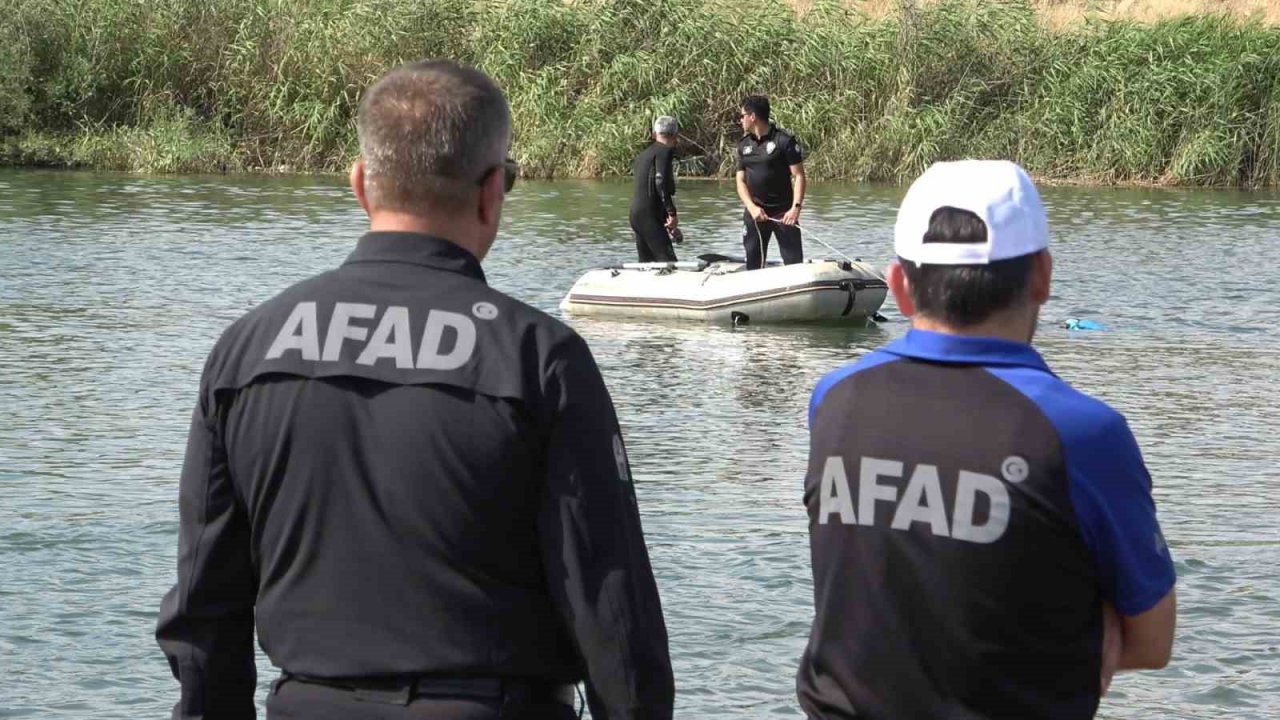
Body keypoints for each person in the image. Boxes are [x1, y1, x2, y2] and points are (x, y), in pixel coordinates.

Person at [154, 58, 675, 720]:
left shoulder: (247, 348)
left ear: (360, 185)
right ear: (491, 191)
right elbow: (611, 606)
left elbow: (204, 605)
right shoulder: (537, 357)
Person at [796, 159, 1176, 719]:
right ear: (1042, 275)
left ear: (899, 285)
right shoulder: (1082, 432)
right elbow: (1151, 640)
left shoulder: (834, 399)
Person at [734, 95, 806, 270]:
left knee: (794, 263)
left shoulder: (784, 141)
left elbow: (799, 176)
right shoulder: (744, 145)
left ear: (752, 116)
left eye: (742, 115)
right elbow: (740, 180)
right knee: (753, 263)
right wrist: (751, 207)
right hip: (755, 213)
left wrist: (795, 208)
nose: (740, 120)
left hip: (784, 213)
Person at [629, 115, 680, 263]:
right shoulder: (664, 152)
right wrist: (671, 212)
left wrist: (665, 218)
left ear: (654, 134)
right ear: (676, 135)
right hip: (649, 217)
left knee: (646, 265)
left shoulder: (642, 155)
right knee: (668, 263)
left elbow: (647, 188)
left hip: (636, 215)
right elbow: (660, 182)